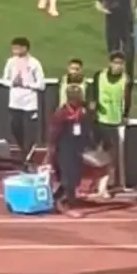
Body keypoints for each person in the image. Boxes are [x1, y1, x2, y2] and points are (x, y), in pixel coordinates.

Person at [87, 52, 132, 197]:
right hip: (99, 120)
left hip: (114, 122)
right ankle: (92, 184)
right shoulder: (99, 75)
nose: (118, 66)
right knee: (94, 155)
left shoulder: (126, 80)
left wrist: (125, 115)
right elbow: (92, 93)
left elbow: (127, 99)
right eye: (115, 62)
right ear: (110, 63)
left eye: (120, 63)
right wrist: (92, 105)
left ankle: (103, 187)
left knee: (109, 157)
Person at [47, 85, 93, 217]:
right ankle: (68, 205)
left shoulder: (83, 112)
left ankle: (55, 199)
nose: (77, 98)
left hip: (77, 148)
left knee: (76, 177)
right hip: (64, 148)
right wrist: (52, 149)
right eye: (74, 96)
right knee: (68, 177)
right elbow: (53, 133)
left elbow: (87, 129)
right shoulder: (61, 113)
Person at [1, 37, 46, 168]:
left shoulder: (34, 63)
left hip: (29, 104)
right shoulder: (10, 62)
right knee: (15, 129)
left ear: (25, 48)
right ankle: (23, 152)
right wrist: (12, 83)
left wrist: (26, 84)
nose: (14, 50)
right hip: (14, 103)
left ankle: (28, 158)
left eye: (17, 47)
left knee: (29, 133)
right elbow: (4, 80)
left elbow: (41, 85)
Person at [95, 0, 137, 75]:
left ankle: (129, 75)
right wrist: (103, 10)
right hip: (112, 22)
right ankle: (114, 74)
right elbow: (98, 1)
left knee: (129, 50)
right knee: (113, 50)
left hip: (126, 22)